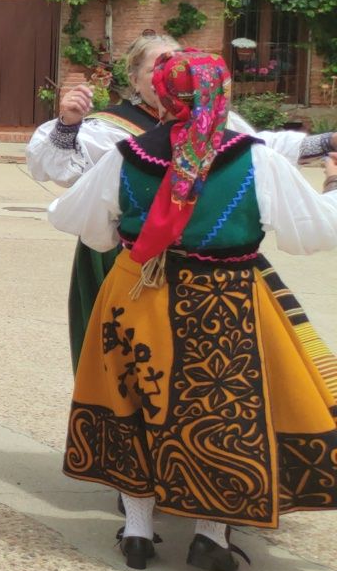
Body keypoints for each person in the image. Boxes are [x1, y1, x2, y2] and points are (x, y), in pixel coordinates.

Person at [49, 49, 337, 571]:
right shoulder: (256, 158)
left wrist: (124, 232)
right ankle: (210, 536)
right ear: (222, 95)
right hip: (223, 301)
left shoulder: (126, 153)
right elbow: (312, 233)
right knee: (218, 412)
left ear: (160, 94)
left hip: (138, 291)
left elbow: (74, 218)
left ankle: (137, 530)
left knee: (133, 400)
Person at [27, 31, 329, 368]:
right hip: (154, 268)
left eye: (181, 64)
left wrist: (324, 143)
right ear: (136, 79)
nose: (174, 72)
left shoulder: (206, 133)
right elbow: (58, 168)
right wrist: (68, 125)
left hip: (167, 267)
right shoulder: (112, 129)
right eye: (163, 67)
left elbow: (260, 147)